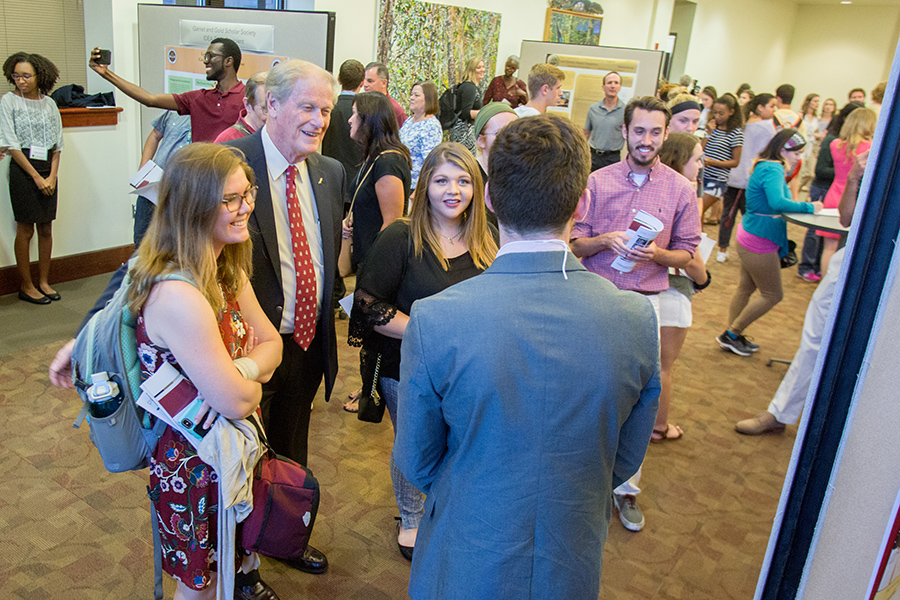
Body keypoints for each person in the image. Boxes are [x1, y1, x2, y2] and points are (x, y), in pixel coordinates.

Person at [394, 114, 660, 599]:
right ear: (581, 203)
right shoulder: (636, 319)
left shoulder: (435, 319)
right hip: (572, 543)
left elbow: (417, 459)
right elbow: (624, 457)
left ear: (490, 198)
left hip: (468, 540)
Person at [127, 142, 283, 600]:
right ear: (194, 207)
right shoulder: (178, 293)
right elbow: (236, 399)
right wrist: (250, 383)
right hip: (193, 463)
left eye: (247, 193)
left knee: (226, 569)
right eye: (231, 199)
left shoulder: (224, 269)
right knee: (201, 586)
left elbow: (274, 344)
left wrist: (241, 371)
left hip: (230, 449)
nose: (245, 207)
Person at [227, 59, 348, 575]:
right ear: (271, 104)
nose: (320, 120)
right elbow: (163, 250)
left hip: (304, 343)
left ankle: (281, 539)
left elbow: (322, 259)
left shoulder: (330, 171)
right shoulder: (227, 165)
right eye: (308, 106)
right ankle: (242, 566)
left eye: (326, 109)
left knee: (291, 453)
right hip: (244, 353)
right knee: (239, 463)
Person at [348, 141, 497, 562]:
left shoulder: (489, 238)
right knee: (416, 441)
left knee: (464, 442)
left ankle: (450, 506)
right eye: (442, 180)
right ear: (425, 185)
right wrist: (431, 333)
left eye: (464, 180)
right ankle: (411, 516)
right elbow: (368, 304)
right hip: (409, 366)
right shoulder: (402, 235)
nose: (454, 190)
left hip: (470, 368)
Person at [570, 96, 701, 532]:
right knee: (586, 395)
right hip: (594, 297)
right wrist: (606, 240)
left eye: (656, 132)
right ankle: (582, 485)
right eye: (639, 131)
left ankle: (626, 489)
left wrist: (658, 253)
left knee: (638, 399)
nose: (647, 140)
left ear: (666, 135)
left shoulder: (681, 189)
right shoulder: (597, 181)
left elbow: (687, 253)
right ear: (624, 132)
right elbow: (575, 243)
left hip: (646, 304)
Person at [736, 146, 867, 435]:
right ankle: (780, 412)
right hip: (854, 256)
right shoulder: (879, 154)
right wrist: (855, 177)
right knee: (815, 334)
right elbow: (847, 219)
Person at [716, 129, 823, 356]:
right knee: (773, 294)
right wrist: (810, 206)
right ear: (783, 150)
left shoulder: (765, 164)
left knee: (746, 288)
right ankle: (732, 333)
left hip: (752, 232)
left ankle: (732, 335)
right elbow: (778, 202)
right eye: (796, 152)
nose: (798, 157)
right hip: (760, 238)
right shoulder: (773, 167)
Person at [342, 91, 412, 413]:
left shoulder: (388, 160)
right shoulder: (374, 159)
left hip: (378, 269)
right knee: (371, 340)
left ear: (369, 120)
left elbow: (392, 223)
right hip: (368, 263)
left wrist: (373, 273)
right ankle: (368, 390)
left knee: (378, 340)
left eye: (355, 114)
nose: (350, 120)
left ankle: (373, 396)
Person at [655, 132, 710, 443]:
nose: (701, 166)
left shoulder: (653, 188)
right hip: (673, 290)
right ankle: (659, 427)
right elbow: (693, 260)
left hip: (644, 287)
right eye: (697, 159)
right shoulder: (684, 194)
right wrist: (704, 280)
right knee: (664, 367)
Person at [89, 39, 245, 142]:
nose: (206, 62)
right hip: (199, 179)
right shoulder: (198, 98)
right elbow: (149, 99)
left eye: (211, 56)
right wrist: (106, 74)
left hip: (231, 179)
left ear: (228, 61)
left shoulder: (248, 98)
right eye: (205, 56)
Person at [0, 52, 64, 305]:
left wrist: (52, 176)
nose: (21, 81)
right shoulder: (9, 101)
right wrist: (37, 177)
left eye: (26, 76)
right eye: (16, 76)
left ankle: (44, 282)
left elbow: (58, 144)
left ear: (40, 76)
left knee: (46, 226)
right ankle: (26, 285)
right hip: (23, 168)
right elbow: (11, 143)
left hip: (49, 167)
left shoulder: (49, 103)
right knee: (25, 228)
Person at [718, 93, 778, 263]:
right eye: (772, 106)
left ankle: (724, 249)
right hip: (748, 179)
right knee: (747, 216)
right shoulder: (765, 128)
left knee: (729, 214)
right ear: (760, 107)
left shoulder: (741, 125)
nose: (774, 110)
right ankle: (750, 249)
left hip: (735, 176)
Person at [817, 107, 876, 277]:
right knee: (846, 247)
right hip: (853, 196)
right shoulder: (870, 148)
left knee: (829, 247)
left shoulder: (835, 144)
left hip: (834, 193)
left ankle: (824, 279)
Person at [134, 112, 192, 247]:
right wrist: (144, 168)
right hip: (154, 181)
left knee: (175, 240)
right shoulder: (174, 111)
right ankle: (140, 266)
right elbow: (154, 135)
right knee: (142, 234)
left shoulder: (212, 114)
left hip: (184, 187)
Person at [321, 58, 365, 193]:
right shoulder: (365, 112)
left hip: (330, 180)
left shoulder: (327, 109)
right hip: (357, 182)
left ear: (338, 79)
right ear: (362, 83)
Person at [473, 102, 517, 231]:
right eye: (500, 133)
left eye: (516, 132)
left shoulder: (521, 176)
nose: (511, 139)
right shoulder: (469, 178)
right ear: (481, 140)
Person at [701, 93, 744, 225]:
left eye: (721, 113)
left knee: (698, 210)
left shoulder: (736, 133)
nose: (717, 117)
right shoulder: (711, 128)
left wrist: (712, 162)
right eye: (715, 113)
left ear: (731, 112)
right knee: (698, 215)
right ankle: (698, 244)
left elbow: (735, 162)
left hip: (717, 180)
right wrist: (708, 132)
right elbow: (700, 150)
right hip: (702, 176)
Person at [398, 81, 442, 192]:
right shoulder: (409, 121)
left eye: (416, 95)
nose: (411, 98)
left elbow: (430, 164)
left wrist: (419, 190)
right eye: (411, 94)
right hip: (403, 181)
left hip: (416, 187)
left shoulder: (431, 126)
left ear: (428, 99)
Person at [583, 71, 625, 171]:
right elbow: (586, 133)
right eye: (609, 83)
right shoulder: (593, 108)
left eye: (616, 83)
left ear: (620, 87)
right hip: (593, 157)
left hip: (613, 158)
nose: (613, 86)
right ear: (603, 87)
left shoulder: (625, 110)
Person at [213, 71, 268, 143]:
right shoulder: (227, 141)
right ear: (247, 105)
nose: (273, 114)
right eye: (265, 109)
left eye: (277, 107)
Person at [449, 58, 485, 154]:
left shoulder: (471, 86)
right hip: (464, 133)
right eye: (478, 67)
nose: (482, 70)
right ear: (472, 70)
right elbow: (466, 112)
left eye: (483, 67)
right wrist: (484, 113)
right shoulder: (469, 88)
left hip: (465, 131)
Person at [363, 61, 407, 126]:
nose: (365, 85)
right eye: (364, 80)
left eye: (370, 81)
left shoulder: (395, 110)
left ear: (384, 83)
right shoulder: (363, 106)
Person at [796, 93, 821, 193]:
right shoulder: (801, 115)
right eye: (815, 101)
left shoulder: (817, 118)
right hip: (802, 145)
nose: (817, 104)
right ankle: (795, 192)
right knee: (800, 171)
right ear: (808, 102)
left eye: (818, 101)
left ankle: (798, 189)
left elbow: (817, 131)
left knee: (811, 173)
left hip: (812, 146)